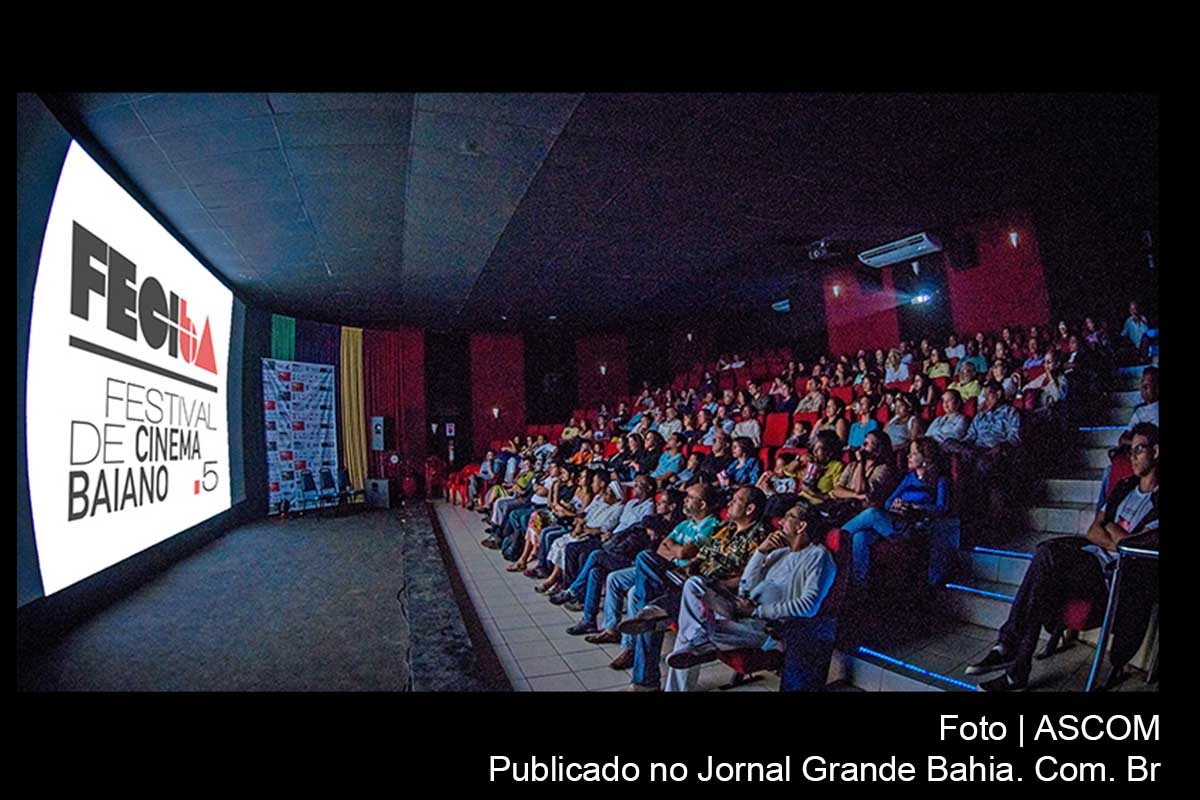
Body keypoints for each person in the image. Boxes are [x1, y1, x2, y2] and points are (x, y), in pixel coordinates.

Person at [971, 423, 1159, 691]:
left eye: (1139, 450)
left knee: (1045, 570)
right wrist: (1112, 535)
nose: (1132, 456)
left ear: (1156, 451)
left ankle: (1010, 651)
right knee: (1045, 555)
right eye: (1130, 451)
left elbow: (1133, 547)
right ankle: (1015, 666)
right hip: (1092, 556)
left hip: (1115, 574)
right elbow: (1094, 529)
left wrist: (1111, 529)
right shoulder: (1126, 485)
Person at [663, 501, 837, 691]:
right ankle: (697, 638)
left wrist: (757, 611)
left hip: (763, 626)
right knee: (693, 584)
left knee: (686, 637)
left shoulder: (818, 556)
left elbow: (808, 606)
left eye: (788, 517)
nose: (780, 523)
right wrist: (760, 552)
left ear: (801, 526)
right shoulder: (779, 553)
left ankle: (691, 636)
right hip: (740, 609)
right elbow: (746, 585)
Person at [613, 482, 722, 689]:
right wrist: (675, 550)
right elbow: (661, 550)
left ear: (703, 504)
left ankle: (645, 679)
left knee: (645, 559)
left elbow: (682, 553)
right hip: (667, 576)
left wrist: (673, 548)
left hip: (685, 582)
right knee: (645, 586)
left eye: (690, 497)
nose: (685, 500)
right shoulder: (685, 524)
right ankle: (644, 679)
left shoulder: (712, 525)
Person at [841, 437, 949, 587]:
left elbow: (942, 508)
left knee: (872, 513)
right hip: (894, 520)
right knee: (860, 536)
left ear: (925, 457)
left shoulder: (940, 480)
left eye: (913, 453)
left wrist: (915, 507)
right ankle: (860, 585)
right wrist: (896, 505)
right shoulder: (908, 477)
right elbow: (888, 502)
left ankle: (837, 537)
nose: (908, 457)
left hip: (913, 526)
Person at [551, 476, 657, 624]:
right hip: (613, 540)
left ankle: (573, 590)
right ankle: (589, 621)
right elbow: (619, 523)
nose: (635, 487)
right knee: (595, 571)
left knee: (595, 555)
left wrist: (612, 536)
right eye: (636, 484)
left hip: (625, 552)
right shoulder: (631, 503)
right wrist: (610, 533)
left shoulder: (648, 508)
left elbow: (636, 532)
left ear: (649, 488)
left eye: (639, 485)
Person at [829, 429, 898, 524]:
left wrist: (861, 462)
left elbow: (860, 489)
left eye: (868, 443)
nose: (863, 446)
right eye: (864, 442)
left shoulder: (883, 469)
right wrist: (857, 496)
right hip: (845, 507)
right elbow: (837, 490)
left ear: (878, 449)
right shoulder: (852, 465)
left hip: (863, 513)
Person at [795, 429, 845, 506]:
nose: (814, 452)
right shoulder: (811, 462)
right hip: (801, 499)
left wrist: (812, 493)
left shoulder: (837, 466)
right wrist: (798, 460)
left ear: (829, 452)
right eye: (814, 447)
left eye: (819, 449)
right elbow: (787, 471)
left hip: (817, 504)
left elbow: (836, 494)